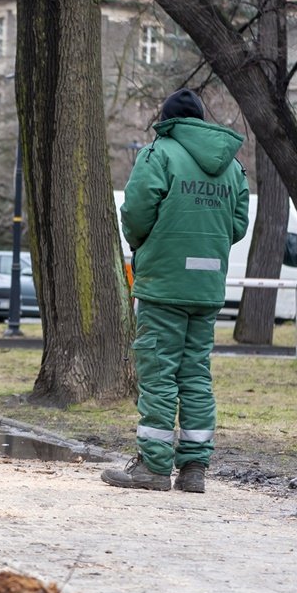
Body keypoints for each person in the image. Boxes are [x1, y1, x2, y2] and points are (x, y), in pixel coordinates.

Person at [101, 88, 250, 493]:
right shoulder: (232, 166)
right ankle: (194, 469)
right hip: (206, 287)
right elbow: (237, 226)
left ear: (167, 120)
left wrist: (146, 245)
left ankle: (153, 466)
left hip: (164, 284)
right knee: (196, 375)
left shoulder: (158, 154)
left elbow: (135, 214)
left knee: (159, 374)